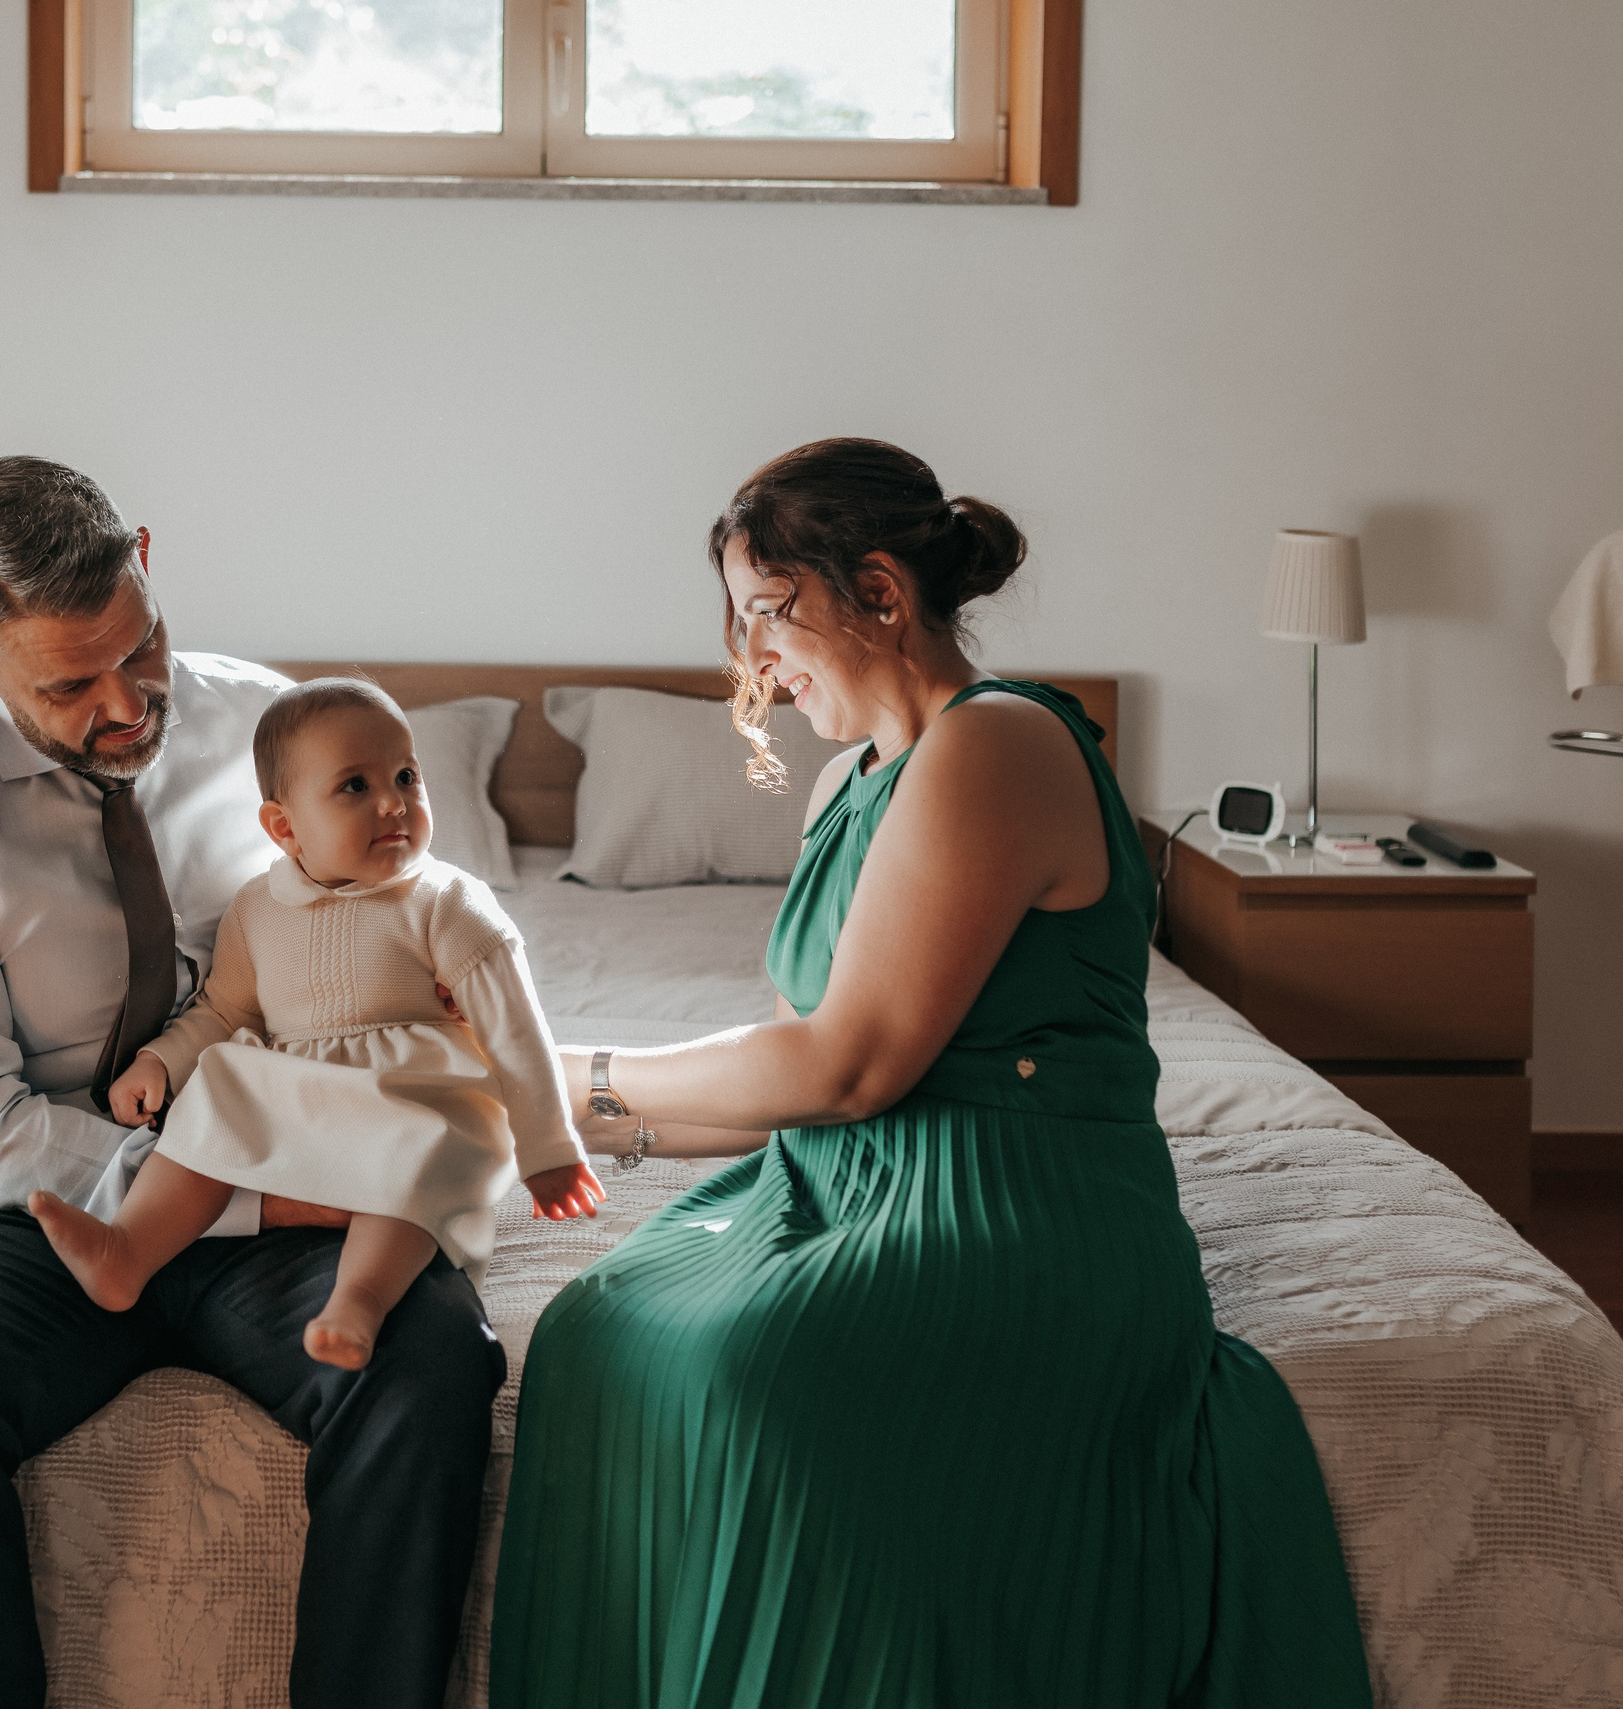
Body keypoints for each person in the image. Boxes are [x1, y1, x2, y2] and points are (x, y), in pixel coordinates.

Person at [491, 439, 1372, 1707]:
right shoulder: (847, 780)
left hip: (1016, 1206)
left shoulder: (996, 742)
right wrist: (556, 1115)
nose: (752, 663)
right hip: (848, 1182)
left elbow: (842, 1065)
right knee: (593, 1325)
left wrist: (549, 1071)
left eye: (766, 616)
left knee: (759, 1370)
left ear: (883, 592)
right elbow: (791, 1083)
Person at [0, 457, 507, 1709]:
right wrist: (251, 1199)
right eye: (70, 684)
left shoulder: (283, 731)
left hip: (295, 1151)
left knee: (430, 1354)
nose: (128, 705)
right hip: (44, 1201)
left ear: (145, 554)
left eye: (139, 652)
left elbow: (408, 927)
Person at [30, 676, 606, 1369]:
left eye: (406, 775)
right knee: (221, 1082)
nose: (394, 801)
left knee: (422, 1154)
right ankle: (127, 1249)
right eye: (355, 787)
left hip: (410, 1100)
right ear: (284, 826)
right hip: (303, 1110)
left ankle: (357, 1301)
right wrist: (161, 1060)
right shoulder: (257, 908)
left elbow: (518, 1030)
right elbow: (224, 1012)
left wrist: (548, 1150)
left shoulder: (447, 902)